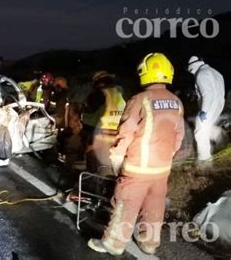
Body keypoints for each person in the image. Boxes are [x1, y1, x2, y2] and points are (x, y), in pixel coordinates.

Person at [88, 53, 185, 255]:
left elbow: (126, 132)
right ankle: (149, 242)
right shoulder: (176, 102)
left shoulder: (140, 99)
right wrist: (168, 157)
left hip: (137, 167)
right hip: (162, 169)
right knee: (154, 205)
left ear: (144, 73)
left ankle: (113, 244)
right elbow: (178, 136)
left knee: (126, 204)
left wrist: (116, 157)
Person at [81, 71, 126, 174]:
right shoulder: (119, 94)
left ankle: (88, 178)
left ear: (97, 82)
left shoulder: (97, 94)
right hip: (117, 137)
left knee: (89, 156)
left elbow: (90, 118)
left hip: (100, 137)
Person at [188, 56, 226, 162]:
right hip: (218, 104)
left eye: (190, 69)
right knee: (206, 127)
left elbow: (208, 94)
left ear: (193, 66)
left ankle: (204, 161)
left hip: (208, 107)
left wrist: (204, 110)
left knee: (200, 132)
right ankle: (219, 135)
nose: (191, 72)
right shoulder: (216, 72)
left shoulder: (201, 74)